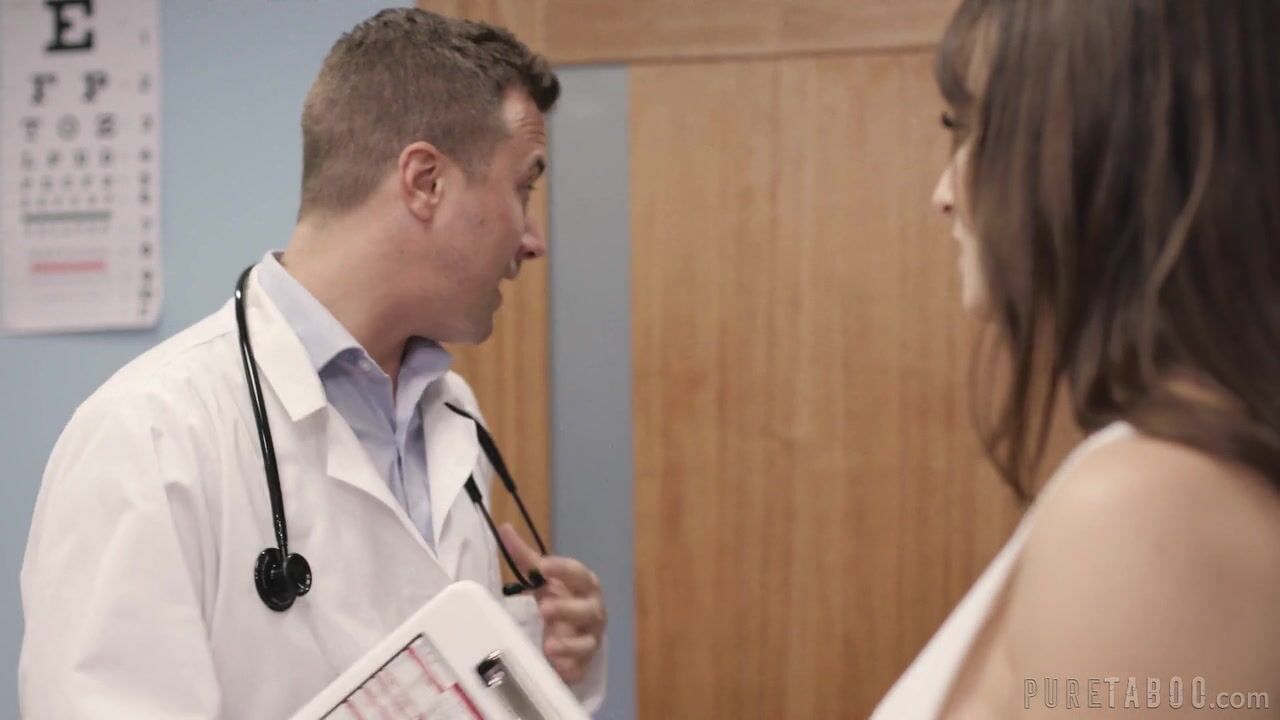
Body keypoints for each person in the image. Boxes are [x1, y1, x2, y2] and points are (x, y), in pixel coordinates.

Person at [19, 9, 606, 718]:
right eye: (524, 187)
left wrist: (543, 662)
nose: (534, 239)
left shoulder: (451, 411)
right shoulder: (147, 435)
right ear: (425, 181)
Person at [874, 0, 1280, 717]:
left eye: (978, 130)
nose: (943, 195)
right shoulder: (1169, 484)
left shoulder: (1147, 511)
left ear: (1123, 152)